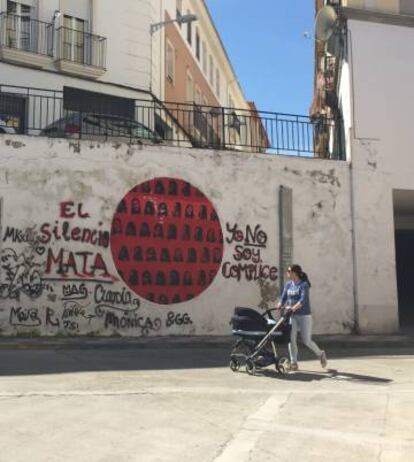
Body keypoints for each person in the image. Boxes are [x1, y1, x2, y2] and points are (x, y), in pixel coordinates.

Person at [276, 264, 327, 371]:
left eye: (289, 271)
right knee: (291, 339)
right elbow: (284, 297)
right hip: (292, 316)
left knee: (306, 340)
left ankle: (320, 353)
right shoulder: (288, 285)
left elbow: (303, 300)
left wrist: (293, 308)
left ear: (295, 273)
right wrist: (280, 304)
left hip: (304, 316)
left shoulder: (304, 285)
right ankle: (294, 363)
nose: (287, 273)